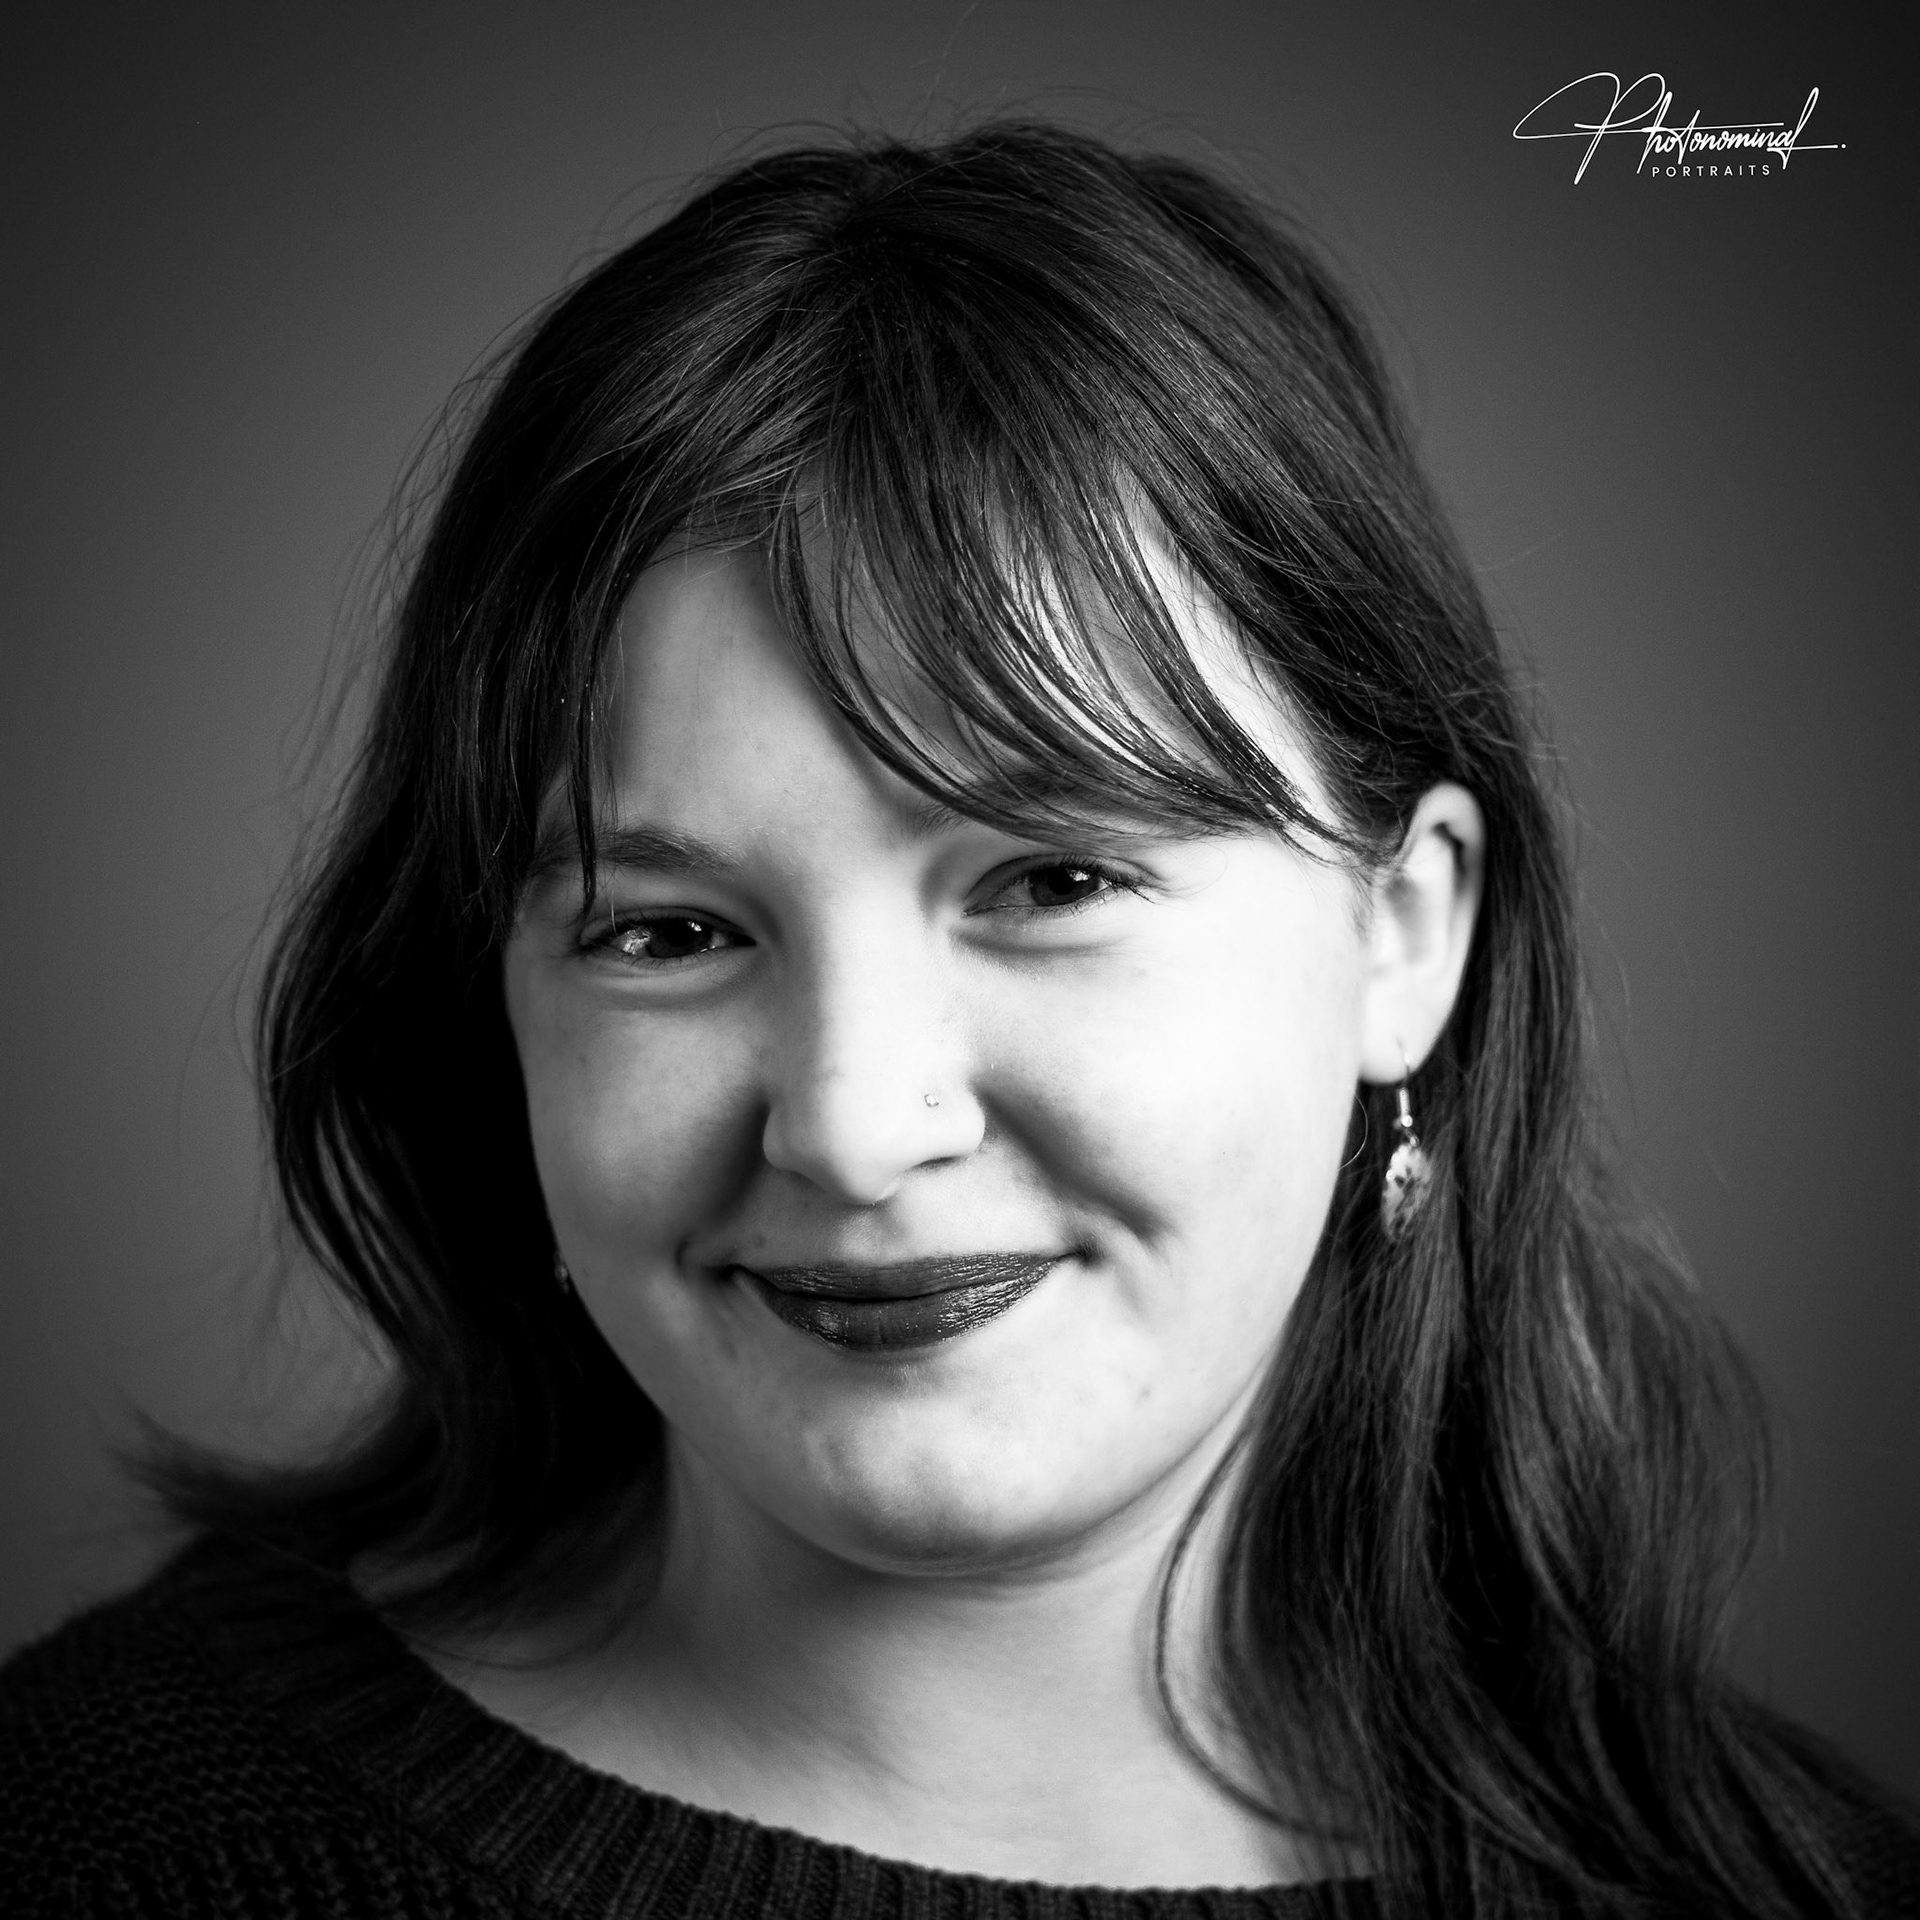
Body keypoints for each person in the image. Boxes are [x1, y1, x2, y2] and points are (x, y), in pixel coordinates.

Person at [1, 120, 1913, 1920]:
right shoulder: (105, 1840)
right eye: (667, 932)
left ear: (1404, 935)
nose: (852, 1124)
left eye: (1053, 882)